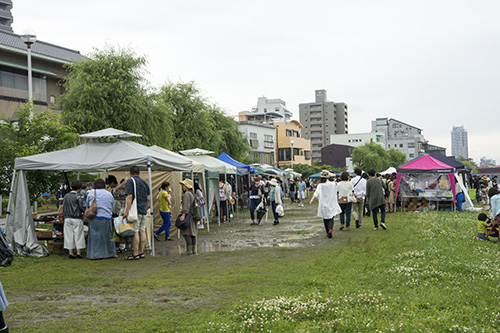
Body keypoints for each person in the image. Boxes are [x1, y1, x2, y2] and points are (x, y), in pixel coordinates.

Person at [123, 166, 151, 260]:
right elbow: (148, 198)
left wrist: (126, 210)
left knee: (135, 231)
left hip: (135, 210)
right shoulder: (144, 182)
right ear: (139, 172)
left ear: (130, 172)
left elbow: (130, 196)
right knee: (142, 230)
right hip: (143, 210)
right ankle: (141, 252)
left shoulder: (130, 181)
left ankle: (135, 253)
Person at [86, 179, 116, 259]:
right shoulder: (109, 194)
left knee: (95, 237)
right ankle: (110, 253)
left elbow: (87, 203)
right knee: (107, 237)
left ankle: (95, 254)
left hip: (94, 217)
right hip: (107, 217)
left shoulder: (91, 192)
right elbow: (112, 205)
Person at [310, 170, 342, 238]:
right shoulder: (332, 184)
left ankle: (327, 232)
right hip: (331, 203)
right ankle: (330, 229)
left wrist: (312, 199)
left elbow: (316, 193)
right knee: (331, 218)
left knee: (325, 218)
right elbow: (337, 190)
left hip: (323, 204)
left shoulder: (320, 185)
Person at [62, 180, 86, 259]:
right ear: (80, 188)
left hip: (67, 218)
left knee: (69, 235)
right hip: (77, 218)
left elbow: (63, 207)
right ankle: (78, 253)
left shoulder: (66, 196)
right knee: (78, 235)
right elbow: (81, 207)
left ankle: (70, 252)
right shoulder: (78, 196)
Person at [179, 179, 197, 255]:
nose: (182, 187)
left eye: (183, 185)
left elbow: (186, 206)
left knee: (186, 232)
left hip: (188, 216)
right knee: (193, 233)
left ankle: (189, 250)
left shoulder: (187, 194)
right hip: (193, 215)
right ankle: (193, 249)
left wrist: (183, 215)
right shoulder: (193, 193)